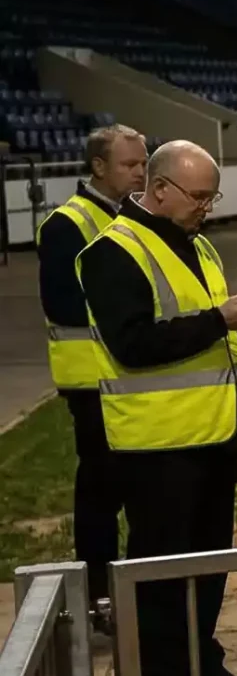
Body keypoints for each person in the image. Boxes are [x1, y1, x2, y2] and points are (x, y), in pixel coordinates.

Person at [78, 140, 237, 676]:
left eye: (212, 196)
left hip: (213, 439)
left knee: (209, 568)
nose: (207, 207)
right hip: (157, 450)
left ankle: (201, 666)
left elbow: (206, 338)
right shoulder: (112, 253)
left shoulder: (198, 243)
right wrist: (219, 320)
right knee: (161, 576)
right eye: (198, 196)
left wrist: (232, 322)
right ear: (158, 189)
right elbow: (133, 344)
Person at [37, 124, 148, 625]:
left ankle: (134, 587)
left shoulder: (142, 217)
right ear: (98, 167)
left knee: (140, 489)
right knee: (102, 492)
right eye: (130, 165)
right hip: (92, 382)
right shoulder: (68, 225)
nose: (141, 173)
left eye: (144, 163)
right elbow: (63, 304)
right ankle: (99, 594)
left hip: (139, 375)